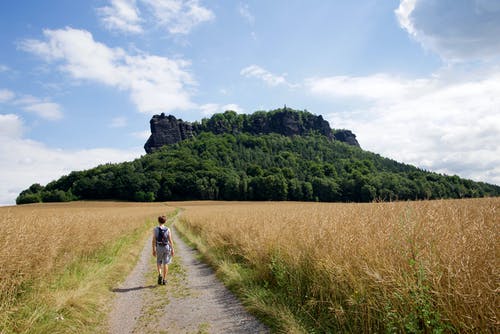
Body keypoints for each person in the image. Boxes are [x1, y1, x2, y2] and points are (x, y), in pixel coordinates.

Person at [152, 215, 175, 285]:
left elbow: (153, 241)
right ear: (165, 221)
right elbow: (170, 240)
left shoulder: (155, 229)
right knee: (166, 263)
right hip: (166, 247)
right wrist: (172, 249)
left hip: (159, 247)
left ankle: (160, 274)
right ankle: (164, 280)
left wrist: (153, 249)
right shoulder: (168, 229)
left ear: (158, 221)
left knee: (159, 262)